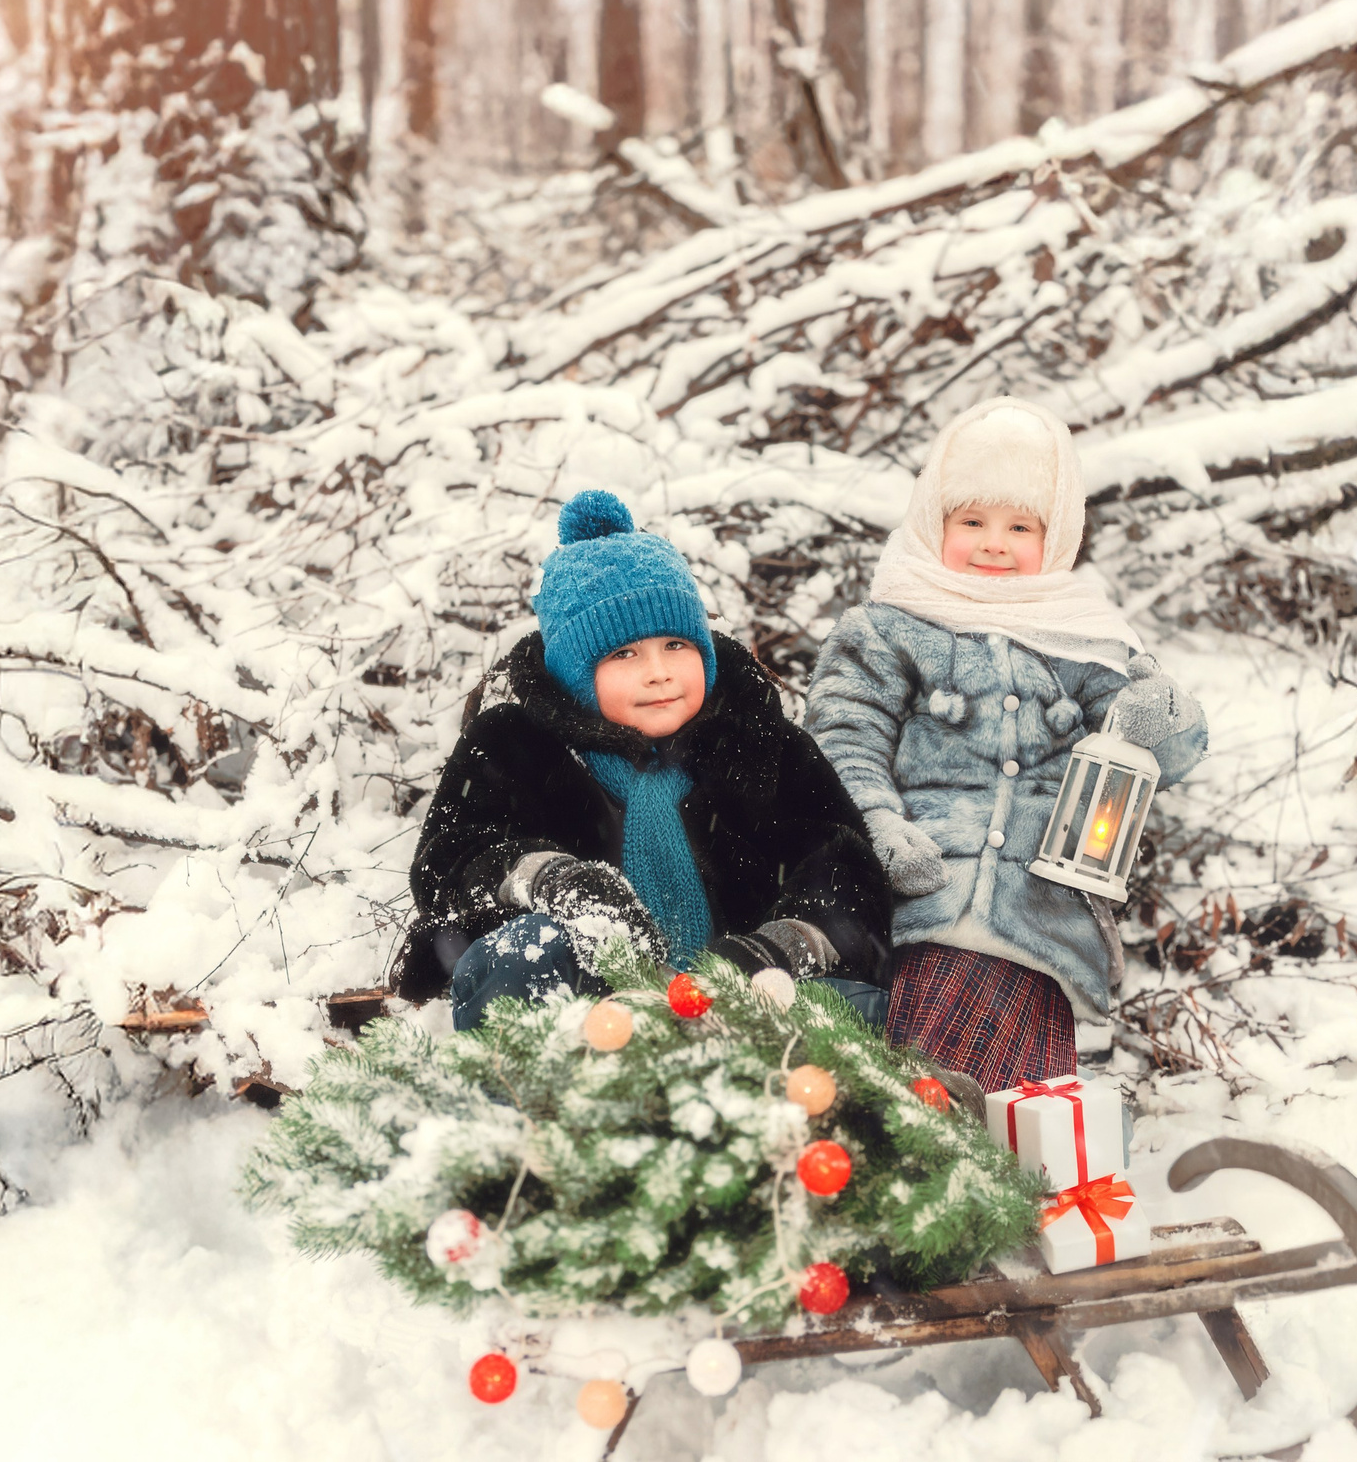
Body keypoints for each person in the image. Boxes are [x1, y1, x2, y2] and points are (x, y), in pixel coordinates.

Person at [802, 398, 1207, 1092]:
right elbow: (844, 735)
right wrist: (879, 823)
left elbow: (1155, 757)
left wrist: (1158, 719)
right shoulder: (891, 626)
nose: (995, 542)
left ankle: (1020, 1180)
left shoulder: (1084, 638)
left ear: (1055, 536)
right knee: (929, 1088)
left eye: (1020, 525)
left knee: (1023, 1116)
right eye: (973, 521)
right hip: (924, 907)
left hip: (1042, 921)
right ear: (936, 520)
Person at [391, 490, 896, 1030]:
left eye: (677, 645)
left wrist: (777, 947)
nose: (658, 671)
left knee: (851, 1007)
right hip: (584, 1005)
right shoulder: (516, 746)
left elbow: (844, 866)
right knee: (522, 956)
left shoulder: (758, 743)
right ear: (575, 674)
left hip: (742, 999)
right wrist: (549, 878)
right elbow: (450, 857)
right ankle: (540, 1095)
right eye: (624, 654)